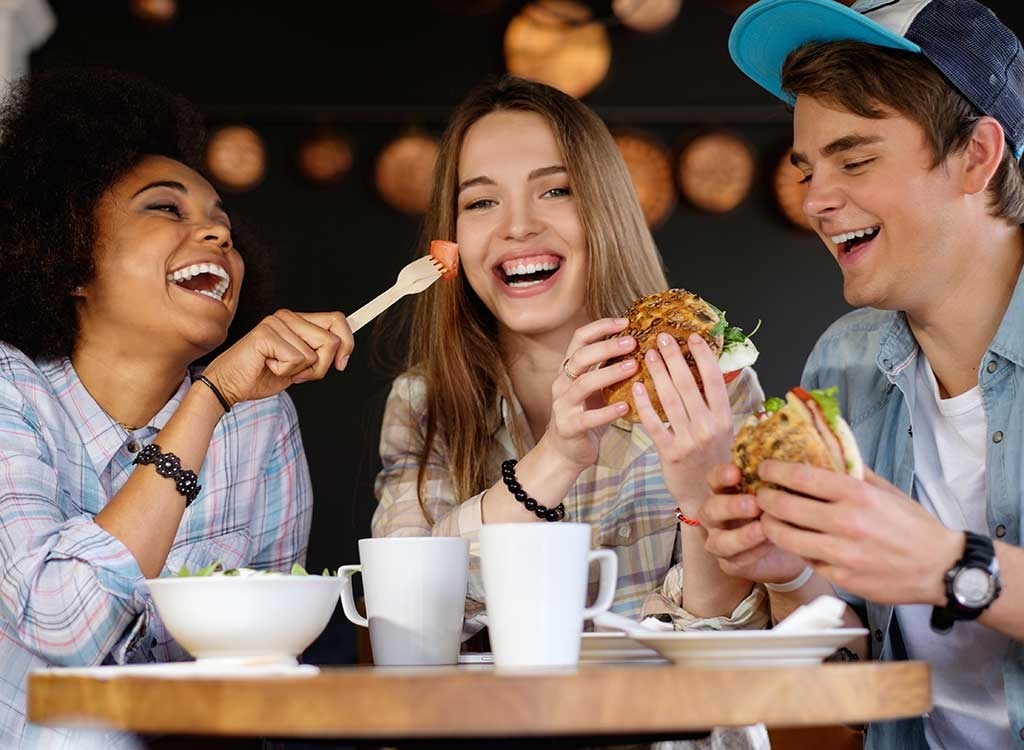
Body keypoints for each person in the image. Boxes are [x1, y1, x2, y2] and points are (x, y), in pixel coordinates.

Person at [372, 76, 770, 749]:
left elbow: (726, 658)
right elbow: (406, 615)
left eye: (556, 190)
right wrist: (553, 457)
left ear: (607, 211)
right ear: (454, 241)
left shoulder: (713, 385)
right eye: (481, 201)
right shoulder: (425, 402)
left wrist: (704, 494)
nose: (518, 225)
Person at [702, 1, 1024, 748]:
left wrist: (951, 566)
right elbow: (842, 699)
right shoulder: (844, 363)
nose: (815, 199)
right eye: (808, 169)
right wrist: (792, 577)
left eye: (854, 160)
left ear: (977, 155)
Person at [0, 68, 353, 749]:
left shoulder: (259, 420)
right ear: (67, 255)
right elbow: (65, 629)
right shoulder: (11, 390)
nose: (218, 236)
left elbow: (262, 663)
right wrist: (208, 400)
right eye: (166, 209)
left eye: (222, 221)